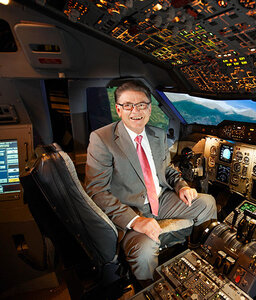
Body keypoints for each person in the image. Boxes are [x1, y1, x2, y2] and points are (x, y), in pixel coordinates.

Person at [84, 80, 217, 282]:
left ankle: (200, 259)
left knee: (207, 203)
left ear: (149, 108)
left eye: (142, 105)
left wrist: (182, 186)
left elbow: (168, 170)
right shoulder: (102, 139)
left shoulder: (158, 134)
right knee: (144, 250)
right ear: (119, 110)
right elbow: (96, 191)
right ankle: (149, 288)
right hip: (129, 208)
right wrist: (135, 220)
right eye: (128, 105)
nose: (135, 111)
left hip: (161, 200)